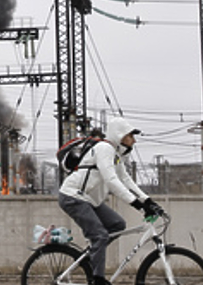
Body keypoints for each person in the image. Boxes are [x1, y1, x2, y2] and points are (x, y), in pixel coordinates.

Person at [57, 117, 165, 285]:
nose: (134, 140)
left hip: (89, 199)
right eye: (130, 136)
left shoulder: (115, 155)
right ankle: (98, 279)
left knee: (117, 225)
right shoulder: (104, 148)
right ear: (119, 135)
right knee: (100, 235)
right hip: (73, 196)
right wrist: (138, 205)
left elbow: (127, 180)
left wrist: (148, 201)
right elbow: (112, 181)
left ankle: (94, 252)